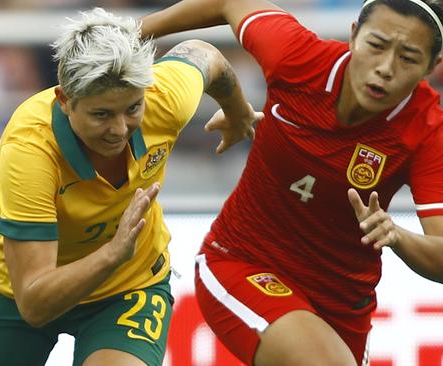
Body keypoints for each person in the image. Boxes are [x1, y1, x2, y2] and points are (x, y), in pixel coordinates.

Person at [0, 7, 261, 366]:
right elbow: (33, 302)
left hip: (128, 287)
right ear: (64, 100)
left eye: (132, 108)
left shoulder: (164, 98)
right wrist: (112, 253)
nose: (120, 129)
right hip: (21, 294)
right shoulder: (29, 150)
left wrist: (237, 113)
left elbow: (207, 57)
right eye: (101, 115)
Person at [140, 0, 443, 365]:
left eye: (408, 58)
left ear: (433, 67)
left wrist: (397, 235)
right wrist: (130, 32)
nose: (385, 68)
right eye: (376, 45)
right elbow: (229, 3)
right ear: (353, 35)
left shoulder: (428, 131)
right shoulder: (298, 57)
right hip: (242, 261)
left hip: (343, 308)